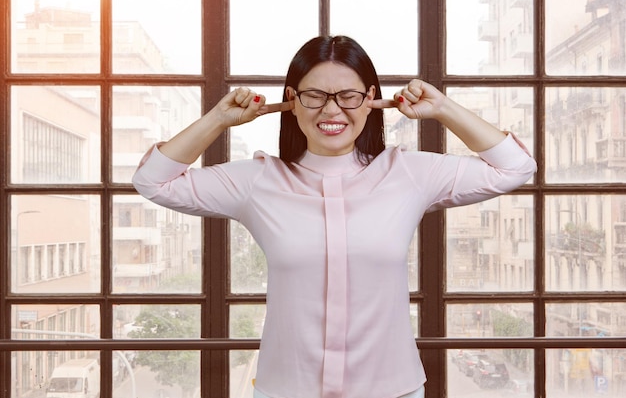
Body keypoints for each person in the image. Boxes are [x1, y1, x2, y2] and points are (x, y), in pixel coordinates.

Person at [132, 35, 537, 398]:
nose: (332, 110)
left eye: (348, 95)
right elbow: (154, 182)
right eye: (314, 95)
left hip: (392, 389)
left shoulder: (409, 173)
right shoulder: (257, 180)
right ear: (292, 99)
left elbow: (515, 167)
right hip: (286, 390)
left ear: (371, 98)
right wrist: (219, 118)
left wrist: (443, 108)